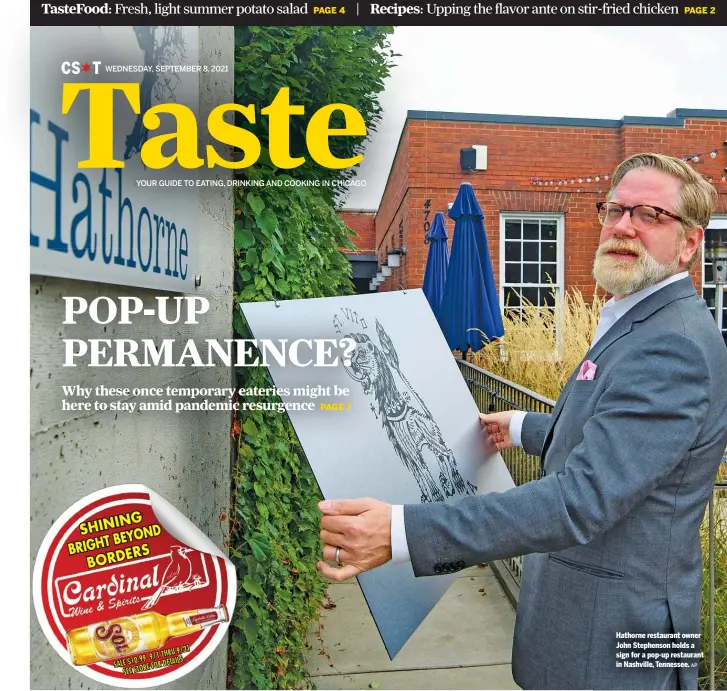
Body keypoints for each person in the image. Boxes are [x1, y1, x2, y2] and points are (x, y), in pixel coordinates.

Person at [316, 152, 727, 690]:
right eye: (617, 210)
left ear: (689, 243)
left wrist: (400, 532)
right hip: (588, 624)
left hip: (612, 641)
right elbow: (620, 438)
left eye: (651, 215)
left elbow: (579, 500)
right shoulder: (644, 318)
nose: (625, 226)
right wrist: (524, 427)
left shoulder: (672, 345)